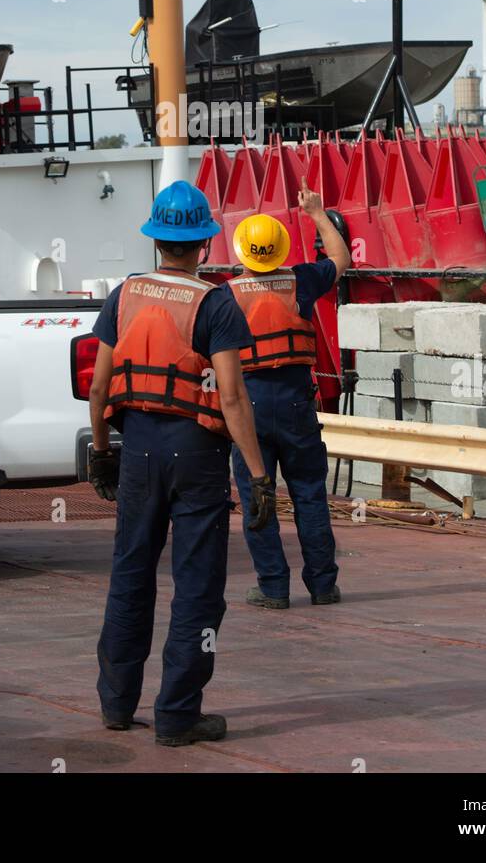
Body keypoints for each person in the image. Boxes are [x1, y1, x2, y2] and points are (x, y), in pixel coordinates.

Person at [87, 179, 274, 748]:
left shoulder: (124, 294)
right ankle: (176, 716)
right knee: (196, 588)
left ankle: (117, 706)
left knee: (130, 578)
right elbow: (234, 398)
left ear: (157, 240)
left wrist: (101, 454)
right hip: (196, 455)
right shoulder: (214, 302)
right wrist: (260, 476)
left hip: (138, 449)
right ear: (203, 244)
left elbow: (97, 389)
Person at [228, 180, 350, 609]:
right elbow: (340, 258)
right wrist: (317, 213)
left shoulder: (227, 296)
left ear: (242, 253)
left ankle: (274, 588)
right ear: (280, 250)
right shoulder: (300, 282)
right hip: (297, 402)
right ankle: (322, 585)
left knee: (257, 493)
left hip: (249, 406)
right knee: (310, 495)